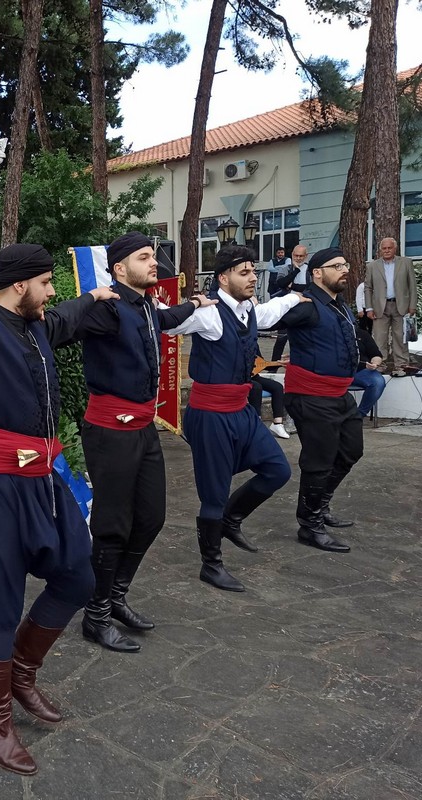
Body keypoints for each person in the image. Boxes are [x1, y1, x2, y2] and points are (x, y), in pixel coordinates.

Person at [0, 196, 118, 775]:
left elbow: (69, 316)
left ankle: (21, 676)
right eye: (44, 283)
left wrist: (98, 296)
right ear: (18, 287)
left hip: (43, 480)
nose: (51, 292)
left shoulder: (39, 326)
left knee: (78, 576)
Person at [73, 232, 212, 652]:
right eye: (145, 257)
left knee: (151, 517)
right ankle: (95, 614)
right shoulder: (108, 309)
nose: (155, 263)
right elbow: (63, 326)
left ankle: (116, 594)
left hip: (142, 429)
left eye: (154, 256)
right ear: (119, 269)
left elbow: (166, 321)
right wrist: (85, 300)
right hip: (110, 430)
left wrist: (196, 304)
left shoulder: (148, 307)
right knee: (113, 526)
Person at [165, 246, 306, 592]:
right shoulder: (209, 314)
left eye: (253, 271)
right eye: (244, 273)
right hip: (210, 415)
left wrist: (297, 298)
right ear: (223, 277)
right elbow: (167, 323)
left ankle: (231, 518)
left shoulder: (248, 309)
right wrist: (191, 303)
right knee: (213, 495)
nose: (252, 277)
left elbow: (273, 310)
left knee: (277, 470)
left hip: (241, 411)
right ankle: (211, 565)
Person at [278, 248, 370, 552]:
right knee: (319, 461)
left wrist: (374, 353)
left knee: (350, 451)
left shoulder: (338, 304)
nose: (345, 270)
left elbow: (355, 333)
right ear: (317, 273)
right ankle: (310, 524)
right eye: (337, 266)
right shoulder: (305, 304)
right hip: (310, 395)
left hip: (339, 394)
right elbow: (268, 319)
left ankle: (320, 505)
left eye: (346, 264)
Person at [364, 237, 417, 377]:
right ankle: (380, 365)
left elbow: (412, 285)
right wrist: (369, 308)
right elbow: (368, 288)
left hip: (401, 306)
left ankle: (401, 365)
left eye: (389, 248)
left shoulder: (406, 263)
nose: (387, 251)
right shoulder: (372, 266)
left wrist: (412, 305)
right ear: (380, 250)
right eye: (384, 248)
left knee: (400, 337)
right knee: (379, 338)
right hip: (379, 307)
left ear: (395, 248)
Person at [269, 244, 309, 364]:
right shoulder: (285, 268)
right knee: (282, 337)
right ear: (292, 255)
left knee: (302, 337)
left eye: (301, 256)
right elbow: (281, 283)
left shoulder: (311, 269)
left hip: (305, 306)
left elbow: (311, 287)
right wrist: (295, 271)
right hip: (288, 307)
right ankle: (273, 365)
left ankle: (299, 363)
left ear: (306, 256)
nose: (298, 258)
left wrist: (293, 286)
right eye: (296, 255)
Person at [249, 372, 291, 439]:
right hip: (238, 377)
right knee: (257, 387)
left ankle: (277, 424)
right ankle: (257, 425)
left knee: (278, 387)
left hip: (253, 375)